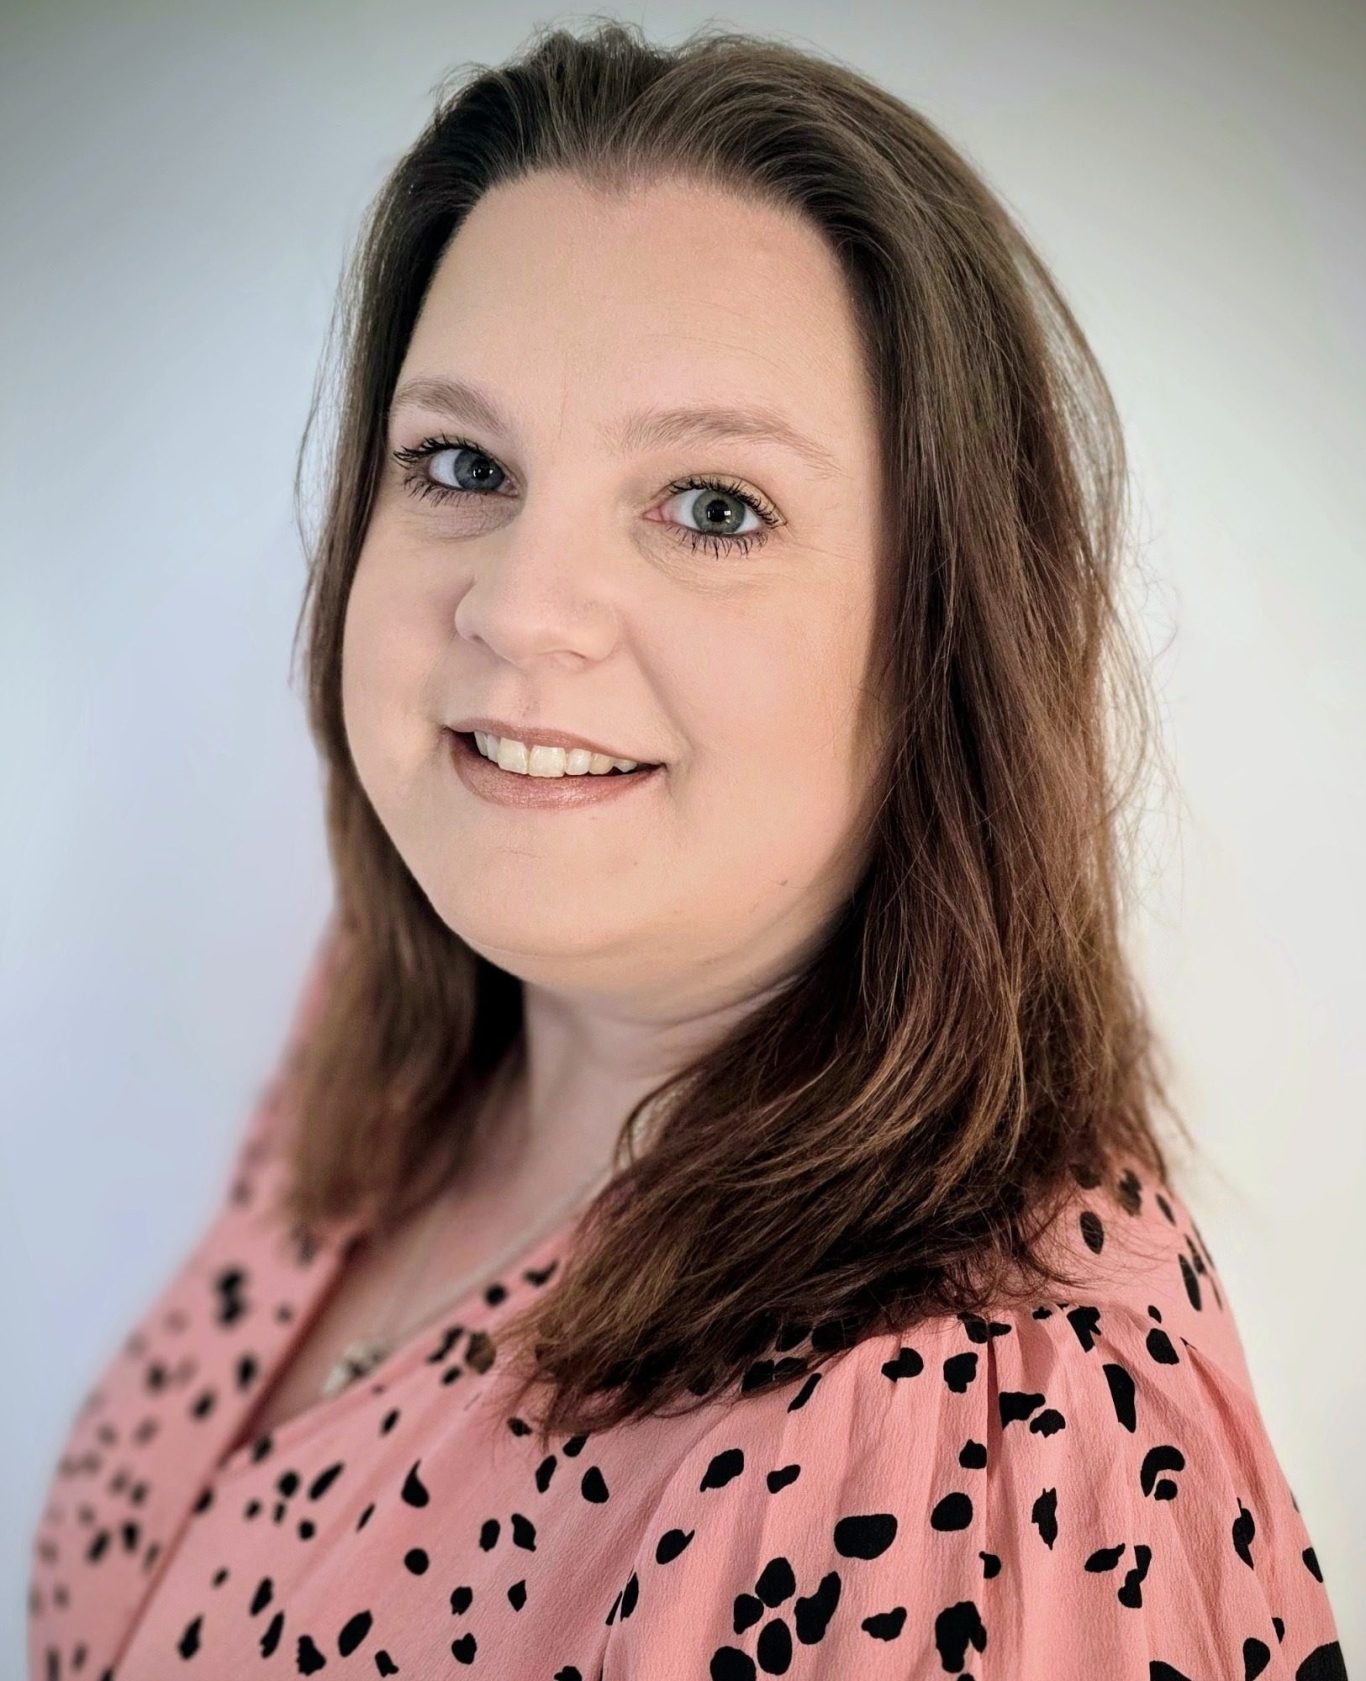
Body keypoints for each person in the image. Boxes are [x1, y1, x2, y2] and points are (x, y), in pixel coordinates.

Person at [27, 20, 1346, 1681]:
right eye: (459, 464)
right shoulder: (374, 1040)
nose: (515, 609)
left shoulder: (988, 1447)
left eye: (710, 505)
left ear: (947, 635)